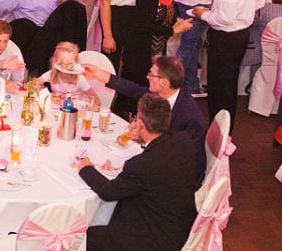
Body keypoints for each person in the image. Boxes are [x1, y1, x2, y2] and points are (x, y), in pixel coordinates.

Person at [77, 92, 198, 251]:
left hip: (155, 244)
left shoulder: (142, 165)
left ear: (140, 122)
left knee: (86, 235)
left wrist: (85, 167)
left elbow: (108, 192)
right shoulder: (183, 141)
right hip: (180, 228)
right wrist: (142, 139)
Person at [84, 56, 208, 186]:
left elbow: (189, 162)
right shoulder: (164, 93)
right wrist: (99, 74)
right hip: (162, 158)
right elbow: (134, 89)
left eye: (151, 74)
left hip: (178, 178)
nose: (147, 77)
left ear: (164, 82)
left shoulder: (190, 117)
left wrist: (144, 137)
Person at [191, 0, 266, 126]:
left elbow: (224, 18)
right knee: (229, 84)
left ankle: (218, 133)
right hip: (242, 35)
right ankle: (225, 129)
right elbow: (260, 2)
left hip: (225, 38)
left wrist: (203, 14)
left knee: (218, 88)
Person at [121, 0, 192, 89]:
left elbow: (167, 16)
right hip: (140, 52)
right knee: (138, 90)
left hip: (158, 49)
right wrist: (173, 30)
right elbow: (145, 26)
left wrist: (178, 23)